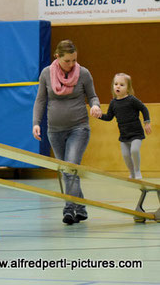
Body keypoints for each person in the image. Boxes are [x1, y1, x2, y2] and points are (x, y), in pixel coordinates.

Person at [32, 39, 102, 225]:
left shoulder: (83, 73)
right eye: (67, 61)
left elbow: (93, 96)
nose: (71, 65)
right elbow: (40, 100)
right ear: (57, 57)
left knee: (71, 167)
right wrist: (36, 123)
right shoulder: (46, 73)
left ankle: (69, 209)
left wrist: (95, 106)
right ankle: (81, 208)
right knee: (67, 171)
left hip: (79, 128)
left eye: (74, 60)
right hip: (54, 130)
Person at [98, 73, 151, 179]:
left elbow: (144, 108)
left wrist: (147, 123)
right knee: (126, 156)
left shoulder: (131, 100)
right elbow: (109, 117)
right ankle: (131, 173)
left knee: (134, 150)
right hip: (124, 135)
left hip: (136, 133)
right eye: (116, 84)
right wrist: (99, 115)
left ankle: (137, 171)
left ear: (128, 88)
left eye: (122, 85)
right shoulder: (113, 103)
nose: (118, 86)